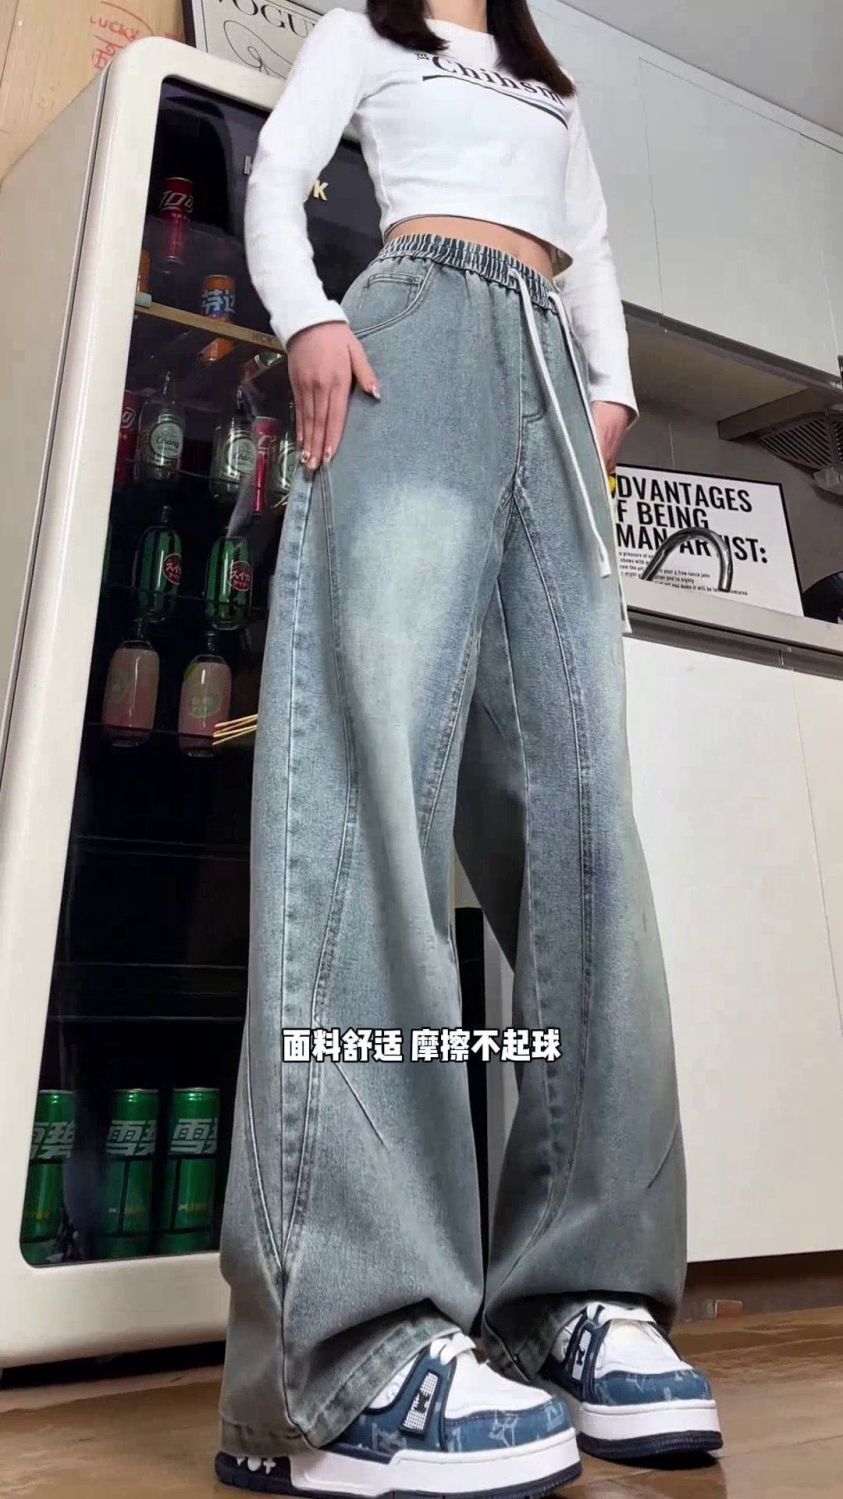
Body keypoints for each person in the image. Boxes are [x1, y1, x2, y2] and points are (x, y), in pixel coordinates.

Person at [216, 3, 723, 1494]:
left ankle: (579, 1291)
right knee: (371, 784)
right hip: (413, 340)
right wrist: (309, 315)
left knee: (582, 824)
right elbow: (276, 175)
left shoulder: (550, 82)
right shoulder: (357, 37)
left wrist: (611, 386)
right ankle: (353, 1344)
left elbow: (593, 242)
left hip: (548, 382)